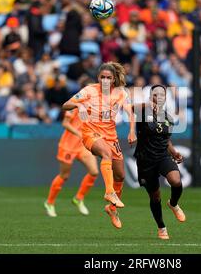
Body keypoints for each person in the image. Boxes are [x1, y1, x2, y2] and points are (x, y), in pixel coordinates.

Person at [62, 62, 136, 229]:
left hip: (111, 135)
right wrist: (80, 104)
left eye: (108, 78)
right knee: (106, 154)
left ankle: (111, 209)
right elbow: (65, 105)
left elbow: (130, 113)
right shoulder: (89, 91)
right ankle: (109, 192)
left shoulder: (120, 93)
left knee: (121, 176)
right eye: (102, 77)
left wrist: (132, 131)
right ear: (98, 78)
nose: (105, 80)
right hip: (90, 133)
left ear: (114, 79)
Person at [133, 84, 186, 240]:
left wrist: (174, 152)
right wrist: (147, 105)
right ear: (151, 97)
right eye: (155, 94)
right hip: (146, 160)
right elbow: (129, 108)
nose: (159, 97)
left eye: (162, 94)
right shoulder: (142, 112)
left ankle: (174, 203)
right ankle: (161, 227)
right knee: (155, 196)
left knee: (176, 181)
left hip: (162, 156)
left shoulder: (168, 118)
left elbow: (166, 140)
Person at [44, 85, 99, 216]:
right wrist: (79, 133)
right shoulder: (75, 104)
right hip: (68, 146)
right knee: (64, 176)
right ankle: (50, 203)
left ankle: (78, 198)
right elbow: (65, 123)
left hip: (83, 146)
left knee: (94, 172)